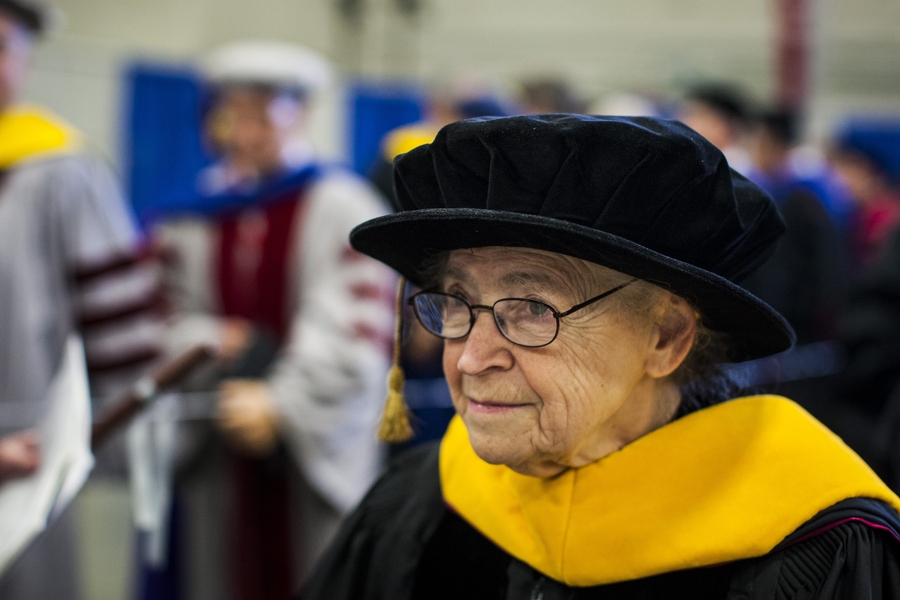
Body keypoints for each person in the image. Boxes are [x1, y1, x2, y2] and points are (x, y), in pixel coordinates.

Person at [300, 114, 900, 600]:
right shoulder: (427, 498)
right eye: (457, 301)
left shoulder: (814, 546)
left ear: (666, 337)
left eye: (533, 307)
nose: (470, 358)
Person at [154, 41, 395, 597]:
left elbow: (353, 326)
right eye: (232, 114)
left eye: (263, 115)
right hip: (218, 444)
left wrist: (282, 403)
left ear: (300, 114)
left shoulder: (343, 206)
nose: (245, 133)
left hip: (301, 453)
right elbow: (164, 315)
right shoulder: (191, 214)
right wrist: (210, 340)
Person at [0, 1, 163, 598]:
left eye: (1, 47)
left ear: (26, 57)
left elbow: (119, 324)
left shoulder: (59, 168)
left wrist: (100, 434)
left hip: (25, 452)